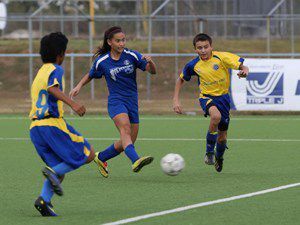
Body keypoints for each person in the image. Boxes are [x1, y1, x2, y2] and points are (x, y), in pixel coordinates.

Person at [69, 26, 157, 178]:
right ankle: (135, 160)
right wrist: (78, 86)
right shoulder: (102, 61)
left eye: (123, 40)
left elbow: (152, 71)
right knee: (125, 129)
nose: (122, 43)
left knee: (127, 141)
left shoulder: (132, 56)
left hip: (132, 102)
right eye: (118, 41)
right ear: (110, 42)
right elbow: (90, 75)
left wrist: (151, 62)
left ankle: (101, 157)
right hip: (116, 101)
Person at [29, 32, 95, 216]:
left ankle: (44, 200)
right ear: (60, 54)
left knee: (61, 171)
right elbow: (52, 88)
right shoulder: (55, 69)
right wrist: (73, 103)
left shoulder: (39, 72)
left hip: (35, 129)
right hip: (52, 124)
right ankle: (51, 171)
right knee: (88, 153)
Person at [173, 33, 249, 172]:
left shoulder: (221, 57)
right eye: (199, 48)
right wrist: (176, 100)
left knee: (222, 137)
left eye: (206, 47)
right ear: (195, 49)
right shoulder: (193, 65)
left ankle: (219, 158)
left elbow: (243, 67)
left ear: (211, 46)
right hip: (206, 97)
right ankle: (209, 152)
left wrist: (244, 72)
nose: (203, 50)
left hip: (224, 99)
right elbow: (181, 79)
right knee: (215, 116)